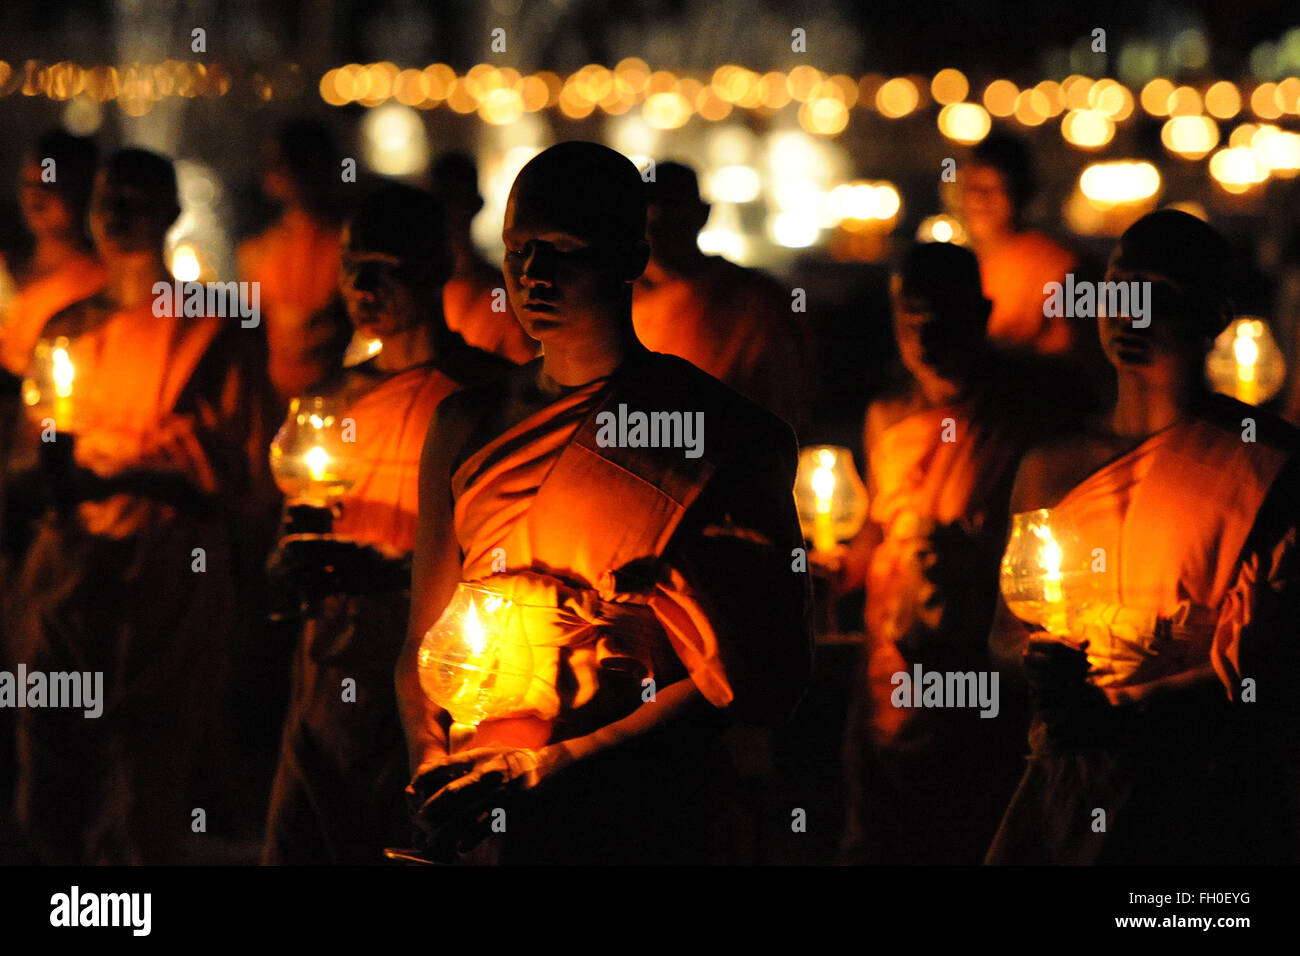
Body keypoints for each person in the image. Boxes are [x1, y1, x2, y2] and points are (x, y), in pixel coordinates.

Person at [394, 142, 812, 864]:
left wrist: (560, 764)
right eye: (517, 249)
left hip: (641, 808)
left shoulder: (721, 435)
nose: (532, 275)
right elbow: (423, 637)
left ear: (631, 256)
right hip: (484, 793)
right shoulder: (466, 424)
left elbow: (763, 671)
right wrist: (430, 758)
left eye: (562, 250)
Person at [986, 210, 1300, 864]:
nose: (1129, 315)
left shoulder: (1263, 465)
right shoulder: (1052, 462)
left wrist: (1116, 713)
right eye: (1117, 288)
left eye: (1159, 296)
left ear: (1217, 313)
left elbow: (1258, 672)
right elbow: (1005, 635)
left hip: (1199, 801)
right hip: (1067, 790)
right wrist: (1040, 669)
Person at [8, 148, 276, 864]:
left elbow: (242, 465)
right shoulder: (67, 329)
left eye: (135, 199)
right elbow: (35, 452)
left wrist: (130, 466)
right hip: (74, 560)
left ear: (171, 212)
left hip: (169, 564)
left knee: (147, 744)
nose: (116, 215)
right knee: (52, 729)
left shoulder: (218, 325)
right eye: (105, 200)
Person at [262, 185, 509, 864]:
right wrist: (292, 570)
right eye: (351, 266)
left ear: (435, 267)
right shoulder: (329, 402)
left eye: (384, 264)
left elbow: (508, 562)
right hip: (327, 677)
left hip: (432, 689)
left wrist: (392, 570)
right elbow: (286, 549)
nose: (362, 285)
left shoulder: (488, 399)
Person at [832, 243, 1053, 864]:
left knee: (969, 821)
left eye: (943, 319)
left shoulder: (1025, 412)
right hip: (892, 653)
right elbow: (879, 524)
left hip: (980, 648)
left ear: (980, 314)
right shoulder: (888, 414)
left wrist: (970, 557)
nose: (925, 338)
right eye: (911, 319)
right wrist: (836, 565)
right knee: (881, 826)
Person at [632, 161, 811, 432]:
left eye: (673, 221)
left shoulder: (758, 304)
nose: (657, 238)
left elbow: (787, 404)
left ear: (702, 215)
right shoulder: (610, 300)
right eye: (648, 223)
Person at [238, 118, 351, 402]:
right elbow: (251, 327)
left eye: (290, 162)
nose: (278, 171)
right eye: (275, 163)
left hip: (337, 395)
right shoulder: (259, 250)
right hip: (274, 394)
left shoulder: (346, 245)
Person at [958, 133, 1079, 358]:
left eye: (994, 188)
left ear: (1022, 194)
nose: (979, 200)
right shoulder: (958, 268)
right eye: (973, 187)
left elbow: (1071, 355)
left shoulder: (1057, 267)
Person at [0, 131, 107, 377]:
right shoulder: (5, 271)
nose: (36, 197)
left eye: (50, 184)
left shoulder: (100, 283)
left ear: (84, 192)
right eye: (29, 184)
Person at [429, 152, 537, 365]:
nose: (448, 211)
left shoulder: (499, 293)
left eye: (456, 199)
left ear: (474, 204)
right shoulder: (415, 291)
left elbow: (520, 364)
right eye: (442, 199)